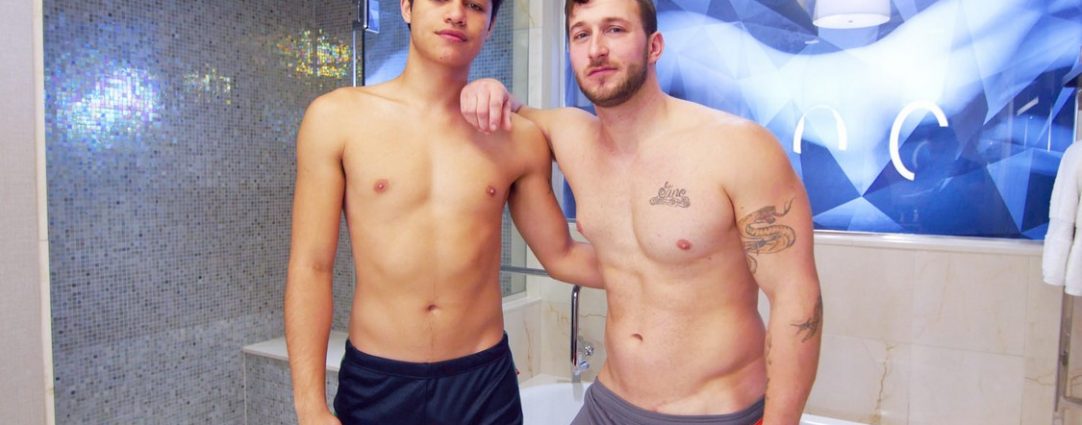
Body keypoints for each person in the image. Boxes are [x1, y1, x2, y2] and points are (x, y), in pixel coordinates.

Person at [460, 0, 822, 423]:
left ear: (654, 46)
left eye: (615, 29)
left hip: (715, 412)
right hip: (608, 404)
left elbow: (796, 299)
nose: (596, 49)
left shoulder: (738, 147)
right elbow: (511, 113)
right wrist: (489, 88)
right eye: (581, 34)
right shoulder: (570, 134)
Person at [284, 0, 603, 424]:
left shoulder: (517, 137)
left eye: (475, 5)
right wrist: (309, 405)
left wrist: (670, 270)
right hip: (377, 381)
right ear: (406, 7)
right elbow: (311, 266)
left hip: (482, 385)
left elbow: (563, 255)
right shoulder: (337, 118)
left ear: (491, 25)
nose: (456, 14)